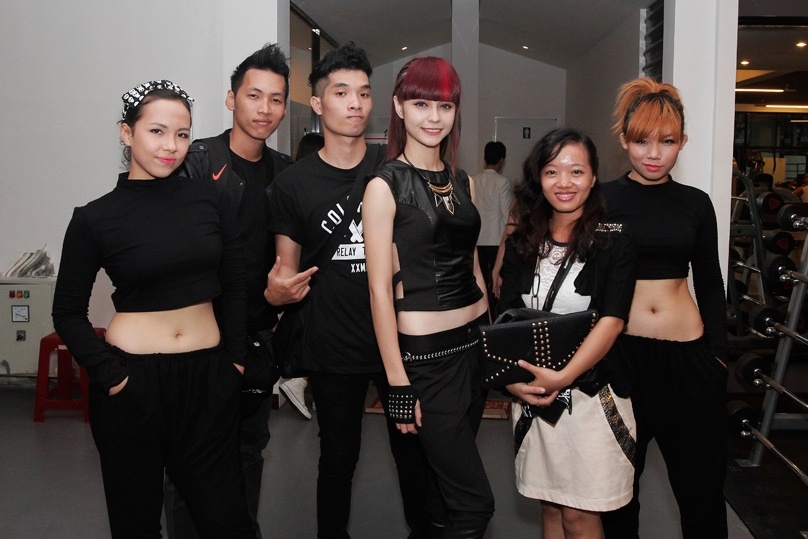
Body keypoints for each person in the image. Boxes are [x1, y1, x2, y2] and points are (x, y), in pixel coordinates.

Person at [52, 80, 256, 538]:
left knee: (228, 523)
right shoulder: (95, 217)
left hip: (208, 380)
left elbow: (235, 286)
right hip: (132, 385)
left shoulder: (212, 200)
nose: (171, 146)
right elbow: (66, 311)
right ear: (127, 133)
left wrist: (235, 363)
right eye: (157, 131)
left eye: (182, 134)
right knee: (136, 526)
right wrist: (111, 375)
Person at [266, 43, 438, 539]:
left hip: (399, 343)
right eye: (341, 93)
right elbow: (286, 270)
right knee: (338, 460)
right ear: (318, 103)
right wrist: (277, 293)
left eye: (364, 92)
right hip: (333, 344)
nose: (356, 103)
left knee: (414, 453)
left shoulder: (396, 167)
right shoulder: (293, 184)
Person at [162, 44, 308, 538]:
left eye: (276, 99)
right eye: (254, 95)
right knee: (189, 456)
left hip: (258, 339)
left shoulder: (286, 172)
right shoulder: (195, 161)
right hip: (198, 341)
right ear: (231, 99)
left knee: (248, 451)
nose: (265, 109)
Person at [363, 56, 495, 539]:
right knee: (475, 505)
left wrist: (492, 341)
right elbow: (379, 291)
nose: (434, 117)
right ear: (399, 107)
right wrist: (397, 382)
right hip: (428, 359)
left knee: (445, 494)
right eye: (421, 104)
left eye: (444, 105)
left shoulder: (464, 181)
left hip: (475, 347)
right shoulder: (384, 186)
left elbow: (474, 265)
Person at [600, 77, 729, 539]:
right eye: (642, 141)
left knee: (701, 493)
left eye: (667, 142)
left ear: (683, 143)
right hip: (621, 360)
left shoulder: (696, 204)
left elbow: (710, 283)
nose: (653, 154)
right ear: (624, 140)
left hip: (688, 359)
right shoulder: (601, 199)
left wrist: (717, 357)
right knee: (617, 493)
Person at [497, 127, 638, 539]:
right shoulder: (523, 240)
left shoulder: (616, 240)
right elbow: (507, 318)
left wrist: (562, 377)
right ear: (538, 178)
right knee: (550, 506)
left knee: (579, 515)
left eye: (576, 171)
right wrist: (514, 383)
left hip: (592, 397)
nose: (564, 182)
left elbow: (613, 320)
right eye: (552, 171)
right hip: (534, 396)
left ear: (593, 178)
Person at [277, 131, 327, 421]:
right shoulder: (303, 188)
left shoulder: (292, 185)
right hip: (314, 278)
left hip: (301, 278)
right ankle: (302, 383)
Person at [473, 140, 511, 314]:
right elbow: (506, 215)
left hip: (477, 239)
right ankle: (494, 314)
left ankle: (481, 311)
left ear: (484, 158)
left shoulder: (473, 179)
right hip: (496, 240)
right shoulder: (503, 182)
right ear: (502, 160)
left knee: (478, 280)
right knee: (496, 282)